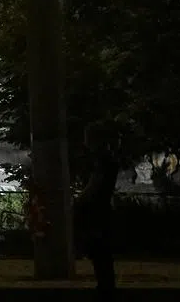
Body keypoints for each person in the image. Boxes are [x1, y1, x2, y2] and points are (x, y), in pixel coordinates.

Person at [75, 122, 119, 301]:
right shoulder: (106, 159)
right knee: (101, 252)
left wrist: (80, 200)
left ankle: (105, 288)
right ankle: (106, 286)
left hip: (96, 211)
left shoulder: (102, 160)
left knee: (99, 250)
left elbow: (95, 184)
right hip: (100, 209)